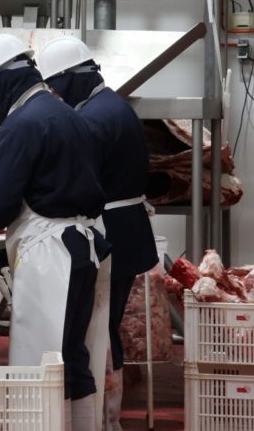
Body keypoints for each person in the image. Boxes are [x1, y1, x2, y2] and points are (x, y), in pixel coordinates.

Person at [0, 33, 110, 431]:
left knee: (41, 365)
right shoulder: (66, 113)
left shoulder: (24, 123)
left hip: (51, 255)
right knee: (74, 358)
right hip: (81, 247)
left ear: (2, 79)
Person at [39, 36, 158, 431]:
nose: (54, 94)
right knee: (106, 326)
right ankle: (109, 419)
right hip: (128, 229)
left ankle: (104, 420)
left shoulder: (92, 118)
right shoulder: (113, 105)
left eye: (56, 85)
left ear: (75, 76)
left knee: (100, 328)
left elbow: (76, 180)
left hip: (113, 232)